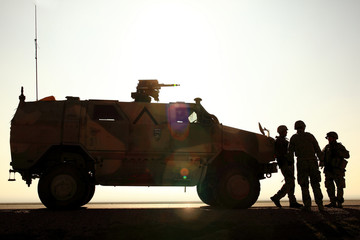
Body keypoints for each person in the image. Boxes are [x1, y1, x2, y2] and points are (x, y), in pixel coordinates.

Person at [288, 120, 324, 212]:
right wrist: (322, 160)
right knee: (315, 184)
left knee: (304, 185)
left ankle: (307, 206)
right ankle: (320, 205)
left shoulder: (294, 138)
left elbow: (290, 153)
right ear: (304, 127)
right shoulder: (310, 136)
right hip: (312, 162)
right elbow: (317, 149)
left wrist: (290, 163)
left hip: (302, 162)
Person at [271, 125, 303, 208]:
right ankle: (277, 197)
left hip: (288, 164)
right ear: (282, 132)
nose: (286, 132)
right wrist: (287, 162)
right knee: (290, 181)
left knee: (291, 182)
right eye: (285, 131)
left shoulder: (283, 141)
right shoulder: (279, 141)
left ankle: (292, 201)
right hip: (285, 164)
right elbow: (281, 155)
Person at [321, 131, 350, 208]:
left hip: (337, 170)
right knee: (329, 186)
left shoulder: (339, 147)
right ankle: (333, 201)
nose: (329, 139)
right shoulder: (327, 147)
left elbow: (347, 155)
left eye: (330, 137)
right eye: (328, 138)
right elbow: (321, 156)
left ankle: (339, 202)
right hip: (328, 170)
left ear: (334, 138)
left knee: (339, 186)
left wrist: (338, 152)